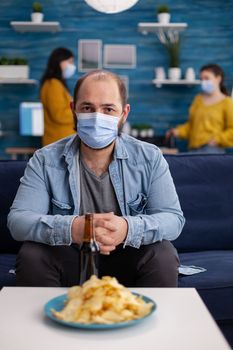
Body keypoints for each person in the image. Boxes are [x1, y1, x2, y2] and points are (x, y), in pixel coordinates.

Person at [8, 70, 185, 288]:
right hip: (72, 258)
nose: (97, 117)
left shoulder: (149, 157)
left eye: (108, 109)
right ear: (74, 109)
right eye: (87, 108)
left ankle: (154, 322)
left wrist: (127, 229)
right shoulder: (44, 160)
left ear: (124, 113)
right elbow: (18, 221)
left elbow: (173, 219)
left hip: (127, 257)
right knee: (32, 254)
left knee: (162, 253)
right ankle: (45, 320)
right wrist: (73, 228)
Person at [166, 64, 233, 153]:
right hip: (193, 149)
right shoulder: (198, 100)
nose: (203, 82)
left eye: (207, 78)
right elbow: (192, 125)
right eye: (201, 79)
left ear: (218, 78)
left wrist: (217, 140)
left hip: (212, 149)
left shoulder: (226, 102)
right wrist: (178, 131)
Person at [40, 47, 76, 146]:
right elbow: (59, 115)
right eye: (70, 62)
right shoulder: (53, 84)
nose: (72, 66)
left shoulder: (56, 84)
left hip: (61, 141)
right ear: (59, 62)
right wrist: (79, 111)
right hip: (58, 142)